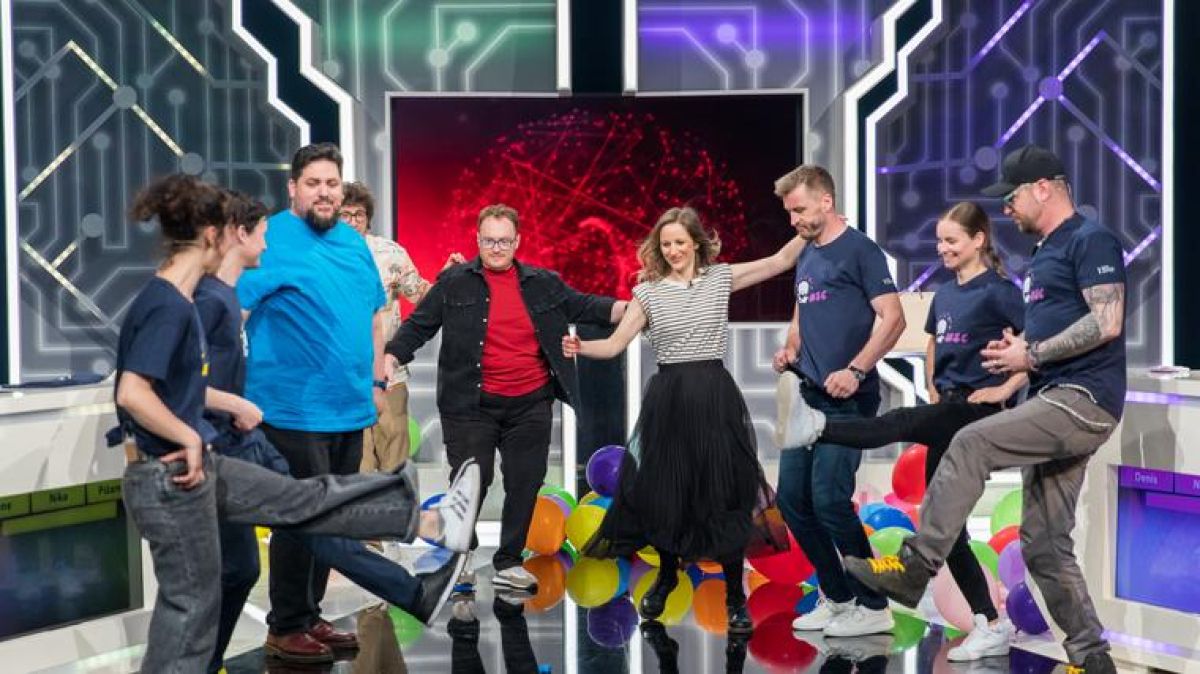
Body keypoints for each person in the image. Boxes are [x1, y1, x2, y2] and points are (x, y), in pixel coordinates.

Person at [111, 174, 481, 673]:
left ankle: (427, 523)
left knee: (289, 516)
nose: (264, 243)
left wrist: (226, 408)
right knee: (193, 604)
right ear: (216, 235)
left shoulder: (185, 299)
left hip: (198, 462)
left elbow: (180, 384)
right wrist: (190, 436)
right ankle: (426, 525)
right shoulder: (174, 303)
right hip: (174, 471)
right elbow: (132, 392)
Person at [844, 145, 1126, 674]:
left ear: (1043, 188)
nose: (1006, 209)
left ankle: (914, 566)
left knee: (969, 442)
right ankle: (1093, 658)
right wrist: (1018, 357)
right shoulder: (1044, 252)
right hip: (1052, 397)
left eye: (1012, 197)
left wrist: (1030, 355)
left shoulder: (1090, 239)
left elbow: (1107, 321)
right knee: (1043, 546)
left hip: (1081, 399)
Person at [783, 201, 1025, 660]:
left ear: (979, 240)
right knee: (947, 529)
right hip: (947, 408)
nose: (943, 248)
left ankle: (820, 428)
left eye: (952, 240)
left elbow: (1034, 347)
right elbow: (935, 342)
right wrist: (932, 383)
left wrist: (1005, 390)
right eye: (939, 241)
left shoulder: (1001, 292)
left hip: (977, 413)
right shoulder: (946, 293)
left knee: (900, 422)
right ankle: (991, 622)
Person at [562, 205, 807, 634]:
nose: (673, 250)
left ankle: (734, 594)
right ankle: (667, 574)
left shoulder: (719, 278)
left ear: (695, 242)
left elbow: (779, 261)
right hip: (669, 401)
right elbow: (615, 344)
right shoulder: (648, 293)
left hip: (714, 398)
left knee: (725, 493)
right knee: (667, 494)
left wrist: (809, 227)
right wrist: (582, 348)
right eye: (665, 244)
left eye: (679, 242)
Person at [385, 204, 627, 594]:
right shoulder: (454, 283)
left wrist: (635, 308)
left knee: (525, 481)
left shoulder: (543, 283)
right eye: (488, 241)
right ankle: (461, 556)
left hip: (530, 402)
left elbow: (586, 306)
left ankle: (510, 562)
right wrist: (392, 357)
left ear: (517, 242)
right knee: (471, 481)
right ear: (477, 240)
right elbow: (419, 325)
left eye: (503, 241)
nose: (496, 248)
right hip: (470, 404)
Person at [235, 143, 411, 660]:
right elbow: (233, 312)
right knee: (301, 523)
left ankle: (310, 615)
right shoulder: (269, 238)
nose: (324, 192)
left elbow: (375, 318)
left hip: (349, 409)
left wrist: (376, 384)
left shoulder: (353, 245)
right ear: (293, 187)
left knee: (332, 519)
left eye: (331, 183)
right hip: (290, 410)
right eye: (313, 183)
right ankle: (286, 624)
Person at [771, 165, 905, 638]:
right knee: (792, 500)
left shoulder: (861, 251)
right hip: (807, 399)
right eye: (790, 213)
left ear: (826, 202)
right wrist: (791, 347)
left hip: (849, 402)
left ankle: (874, 603)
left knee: (829, 498)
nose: (794, 221)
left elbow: (893, 318)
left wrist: (856, 370)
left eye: (800, 210)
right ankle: (839, 597)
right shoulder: (808, 252)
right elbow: (801, 309)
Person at [340, 182, 461, 472]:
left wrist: (445, 278)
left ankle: (397, 503)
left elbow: (421, 296)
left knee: (394, 462)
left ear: (368, 218)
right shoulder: (321, 258)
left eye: (359, 214)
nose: (352, 221)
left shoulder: (390, 254)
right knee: (356, 465)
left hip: (388, 374)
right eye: (345, 214)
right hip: (343, 377)